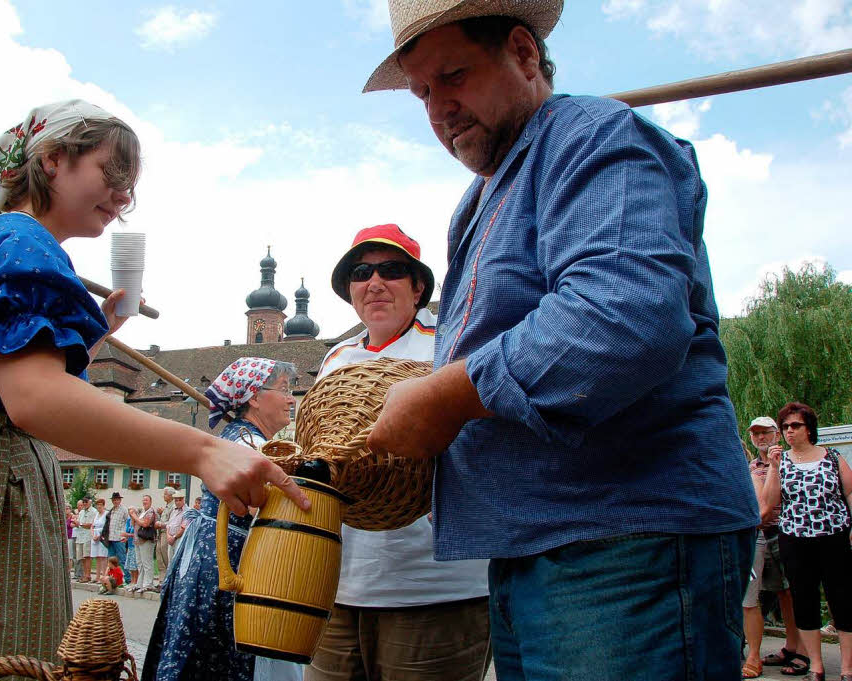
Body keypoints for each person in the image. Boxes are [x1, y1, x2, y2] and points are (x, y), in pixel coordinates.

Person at [0, 100, 308, 681]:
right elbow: (33, 399)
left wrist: (93, 331)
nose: (124, 197)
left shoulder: (5, 241)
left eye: (131, 186)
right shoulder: (24, 244)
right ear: (53, 160)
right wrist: (204, 450)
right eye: (113, 174)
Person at [361, 4, 760, 679]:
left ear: (522, 52)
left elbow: (622, 316)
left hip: (627, 540)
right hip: (530, 544)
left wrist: (449, 397)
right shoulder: (478, 202)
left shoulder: (598, 137)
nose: (438, 109)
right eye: (424, 92)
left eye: (453, 76)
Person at [306, 224, 491, 681]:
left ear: (418, 286)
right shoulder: (335, 359)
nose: (374, 282)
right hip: (340, 585)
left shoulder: (456, 342)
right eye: (361, 272)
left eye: (391, 270)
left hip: (434, 586)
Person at [143, 359, 303, 681]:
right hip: (226, 562)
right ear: (254, 397)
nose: (291, 399)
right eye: (284, 390)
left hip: (212, 555)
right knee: (224, 653)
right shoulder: (250, 445)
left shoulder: (244, 438)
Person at [763, 402, 852, 680]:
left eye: (795, 425)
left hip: (834, 537)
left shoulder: (832, 456)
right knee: (804, 600)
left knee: (843, 600)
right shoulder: (781, 462)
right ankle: (816, 665)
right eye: (785, 427)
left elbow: (849, 493)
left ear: (808, 428)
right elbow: (769, 502)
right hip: (796, 540)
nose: (789, 431)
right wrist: (774, 468)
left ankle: (848, 667)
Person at [744, 416, 806, 678]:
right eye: (756, 434)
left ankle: (796, 648)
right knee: (751, 597)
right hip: (759, 534)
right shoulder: (751, 467)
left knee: (791, 593)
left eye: (766, 433)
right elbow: (761, 507)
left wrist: (775, 466)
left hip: (787, 531)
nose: (761, 438)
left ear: (776, 435)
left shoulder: (792, 460)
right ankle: (754, 656)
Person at [129, 495, 158, 592]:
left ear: (150, 501)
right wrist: (133, 517)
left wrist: (134, 516)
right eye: (143, 500)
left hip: (146, 539)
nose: (144, 501)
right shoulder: (141, 512)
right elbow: (134, 524)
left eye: (146, 500)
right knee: (139, 563)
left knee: (147, 562)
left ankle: (148, 583)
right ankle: (140, 583)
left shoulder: (151, 512)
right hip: (137, 539)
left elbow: (145, 524)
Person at [107, 491, 130, 576]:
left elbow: (128, 522)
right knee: (111, 559)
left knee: (122, 559)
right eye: (114, 500)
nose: (116, 501)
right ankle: (113, 577)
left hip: (119, 538)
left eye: (117, 500)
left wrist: (126, 535)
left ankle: (128, 578)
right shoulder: (111, 510)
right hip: (111, 537)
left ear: (120, 500)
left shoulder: (124, 510)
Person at [76, 495, 98, 582]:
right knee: (81, 557)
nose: (84, 503)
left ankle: (88, 575)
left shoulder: (94, 511)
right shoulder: (81, 512)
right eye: (83, 502)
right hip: (80, 536)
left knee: (87, 556)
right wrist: (77, 523)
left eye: (86, 502)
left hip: (88, 536)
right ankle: (84, 575)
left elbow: (92, 524)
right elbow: (79, 523)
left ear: (90, 502)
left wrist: (81, 524)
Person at [91, 497, 110, 581]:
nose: (99, 507)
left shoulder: (106, 514)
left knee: (103, 556)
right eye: (97, 505)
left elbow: (107, 527)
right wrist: (93, 535)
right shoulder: (96, 515)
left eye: (100, 505)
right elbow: (92, 526)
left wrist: (99, 536)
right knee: (97, 557)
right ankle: (97, 576)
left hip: (102, 536)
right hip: (95, 535)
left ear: (103, 506)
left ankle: (103, 575)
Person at [124, 514, 138, 585]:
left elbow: (136, 534)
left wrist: (128, 535)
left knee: (134, 564)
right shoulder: (129, 521)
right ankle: (132, 580)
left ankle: (135, 581)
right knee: (130, 565)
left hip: (135, 545)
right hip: (129, 545)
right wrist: (125, 538)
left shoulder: (137, 522)